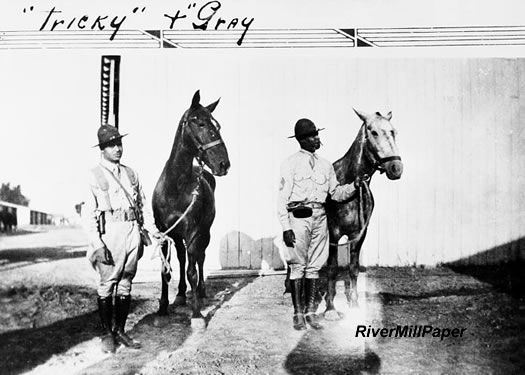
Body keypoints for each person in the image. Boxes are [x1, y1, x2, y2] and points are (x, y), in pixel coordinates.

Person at [84, 125, 165, 353]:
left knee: (126, 282)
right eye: (112, 145)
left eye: (119, 143)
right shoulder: (94, 175)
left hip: (132, 231)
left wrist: (152, 230)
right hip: (110, 233)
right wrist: (97, 244)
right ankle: (107, 334)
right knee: (108, 283)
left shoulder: (131, 173)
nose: (118, 148)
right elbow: (89, 215)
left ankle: (120, 330)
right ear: (102, 149)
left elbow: (142, 205)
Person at [278, 118, 361, 330]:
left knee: (314, 267)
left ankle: (310, 313)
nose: (317, 139)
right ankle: (298, 314)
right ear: (302, 139)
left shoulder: (325, 165)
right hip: (298, 218)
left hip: (320, 217)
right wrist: (286, 227)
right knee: (298, 266)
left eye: (317, 134)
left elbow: (335, 193)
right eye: (312, 136)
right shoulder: (290, 163)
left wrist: (354, 186)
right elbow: (282, 199)